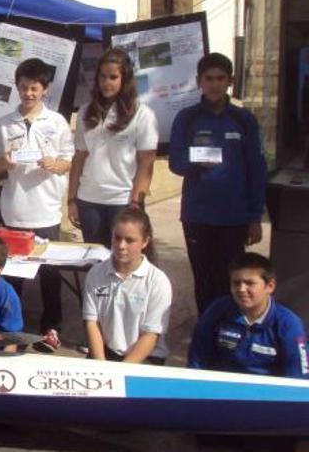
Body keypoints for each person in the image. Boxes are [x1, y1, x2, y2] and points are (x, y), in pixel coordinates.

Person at [168, 52, 267, 315]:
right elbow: (175, 163)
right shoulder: (186, 118)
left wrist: (255, 216)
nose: (214, 84)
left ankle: (230, 331)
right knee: (203, 279)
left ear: (230, 81)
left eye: (220, 78)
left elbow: (257, 170)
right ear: (198, 80)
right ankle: (207, 329)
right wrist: (196, 161)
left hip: (233, 217)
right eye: (208, 78)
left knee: (232, 280)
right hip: (197, 215)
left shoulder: (244, 120)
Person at [0, 58, 73, 352]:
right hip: (14, 210)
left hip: (47, 210)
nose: (28, 94)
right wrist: (6, 162)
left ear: (45, 90)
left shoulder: (58, 122)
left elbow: (67, 163)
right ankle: (13, 331)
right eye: (24, 88)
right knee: (12, 277)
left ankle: (51, 329)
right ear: (17, 87)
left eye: (34, 88)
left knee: (50, 275)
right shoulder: (5, 123)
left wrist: (54, 163)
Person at [67, 48, 159, 245]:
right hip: (88, 200)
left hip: (122, 200)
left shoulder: (143, 115)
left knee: (122, 260)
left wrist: (136, 202)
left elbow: (146, 163)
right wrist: (72, 199)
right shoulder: (85, 111)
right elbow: (79, 158)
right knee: (95, 262)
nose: (106, 82)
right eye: (102, 77)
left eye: (113, 77)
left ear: (124, 79)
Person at [188, 253, 309, 378]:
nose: (241, 289)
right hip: (221, 389)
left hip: (266, 394)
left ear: (270, 286)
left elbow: (298, 378)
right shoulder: (217, 311)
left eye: (249, 283)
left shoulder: (289, 324)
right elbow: (197, 362)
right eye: (236, 283)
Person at [83, 208, 172, 364]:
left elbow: (151, 335)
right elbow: (92, 322)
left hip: (145, 357)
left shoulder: (158, 282)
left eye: (129, 240)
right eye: (117, 238)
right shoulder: (96, 273)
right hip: (106, 353)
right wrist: (101, 365)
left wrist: (121, 371)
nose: (121, 245)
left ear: (145, 242)